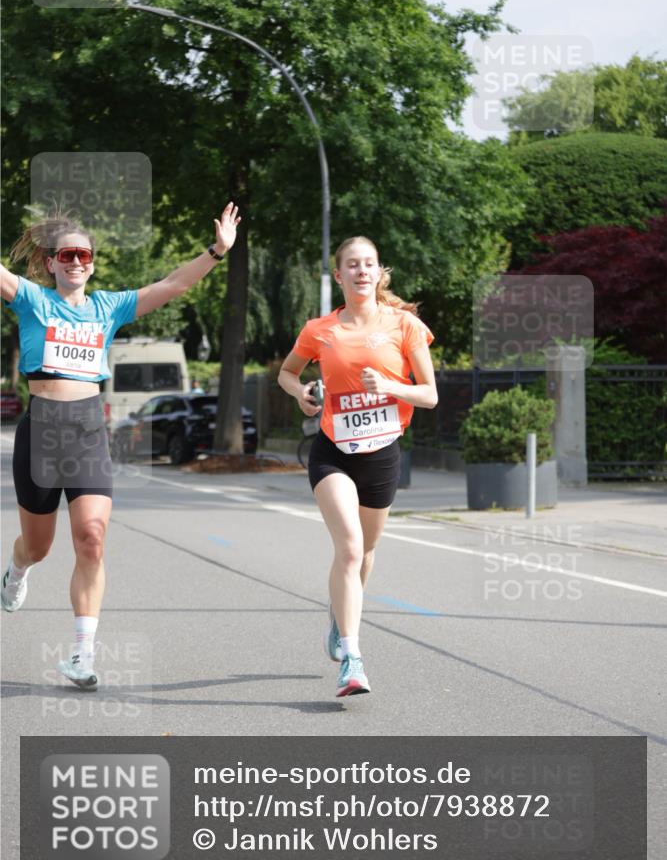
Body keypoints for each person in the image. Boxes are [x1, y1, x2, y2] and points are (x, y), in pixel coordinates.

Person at [0, 202, 241, 689]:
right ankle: (16, 570)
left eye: (84, 256)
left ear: (92, 263)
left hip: (88, 428)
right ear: (50, 262)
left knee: (91, 536)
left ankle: (81, 655)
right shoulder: (30, 299)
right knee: (39, 547)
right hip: (42, 428)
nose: (76, 263)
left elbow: (172, 285)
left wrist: (217, 251)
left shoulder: (109, 307)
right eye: (66, 255)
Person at [278, 237, 437, 697]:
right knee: (348, 549)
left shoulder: (404, 325)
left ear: (378, 272)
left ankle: (338, 615)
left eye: (369, 263)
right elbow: (288, 372)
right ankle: (352, 658)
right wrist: (300, 393)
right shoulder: (320, 329)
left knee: (365, 553)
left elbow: (429, 394)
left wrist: (390, 385)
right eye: (353, 265)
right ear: (340, 275)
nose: (362, 271)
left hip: (383, 452)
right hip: (333, 451)